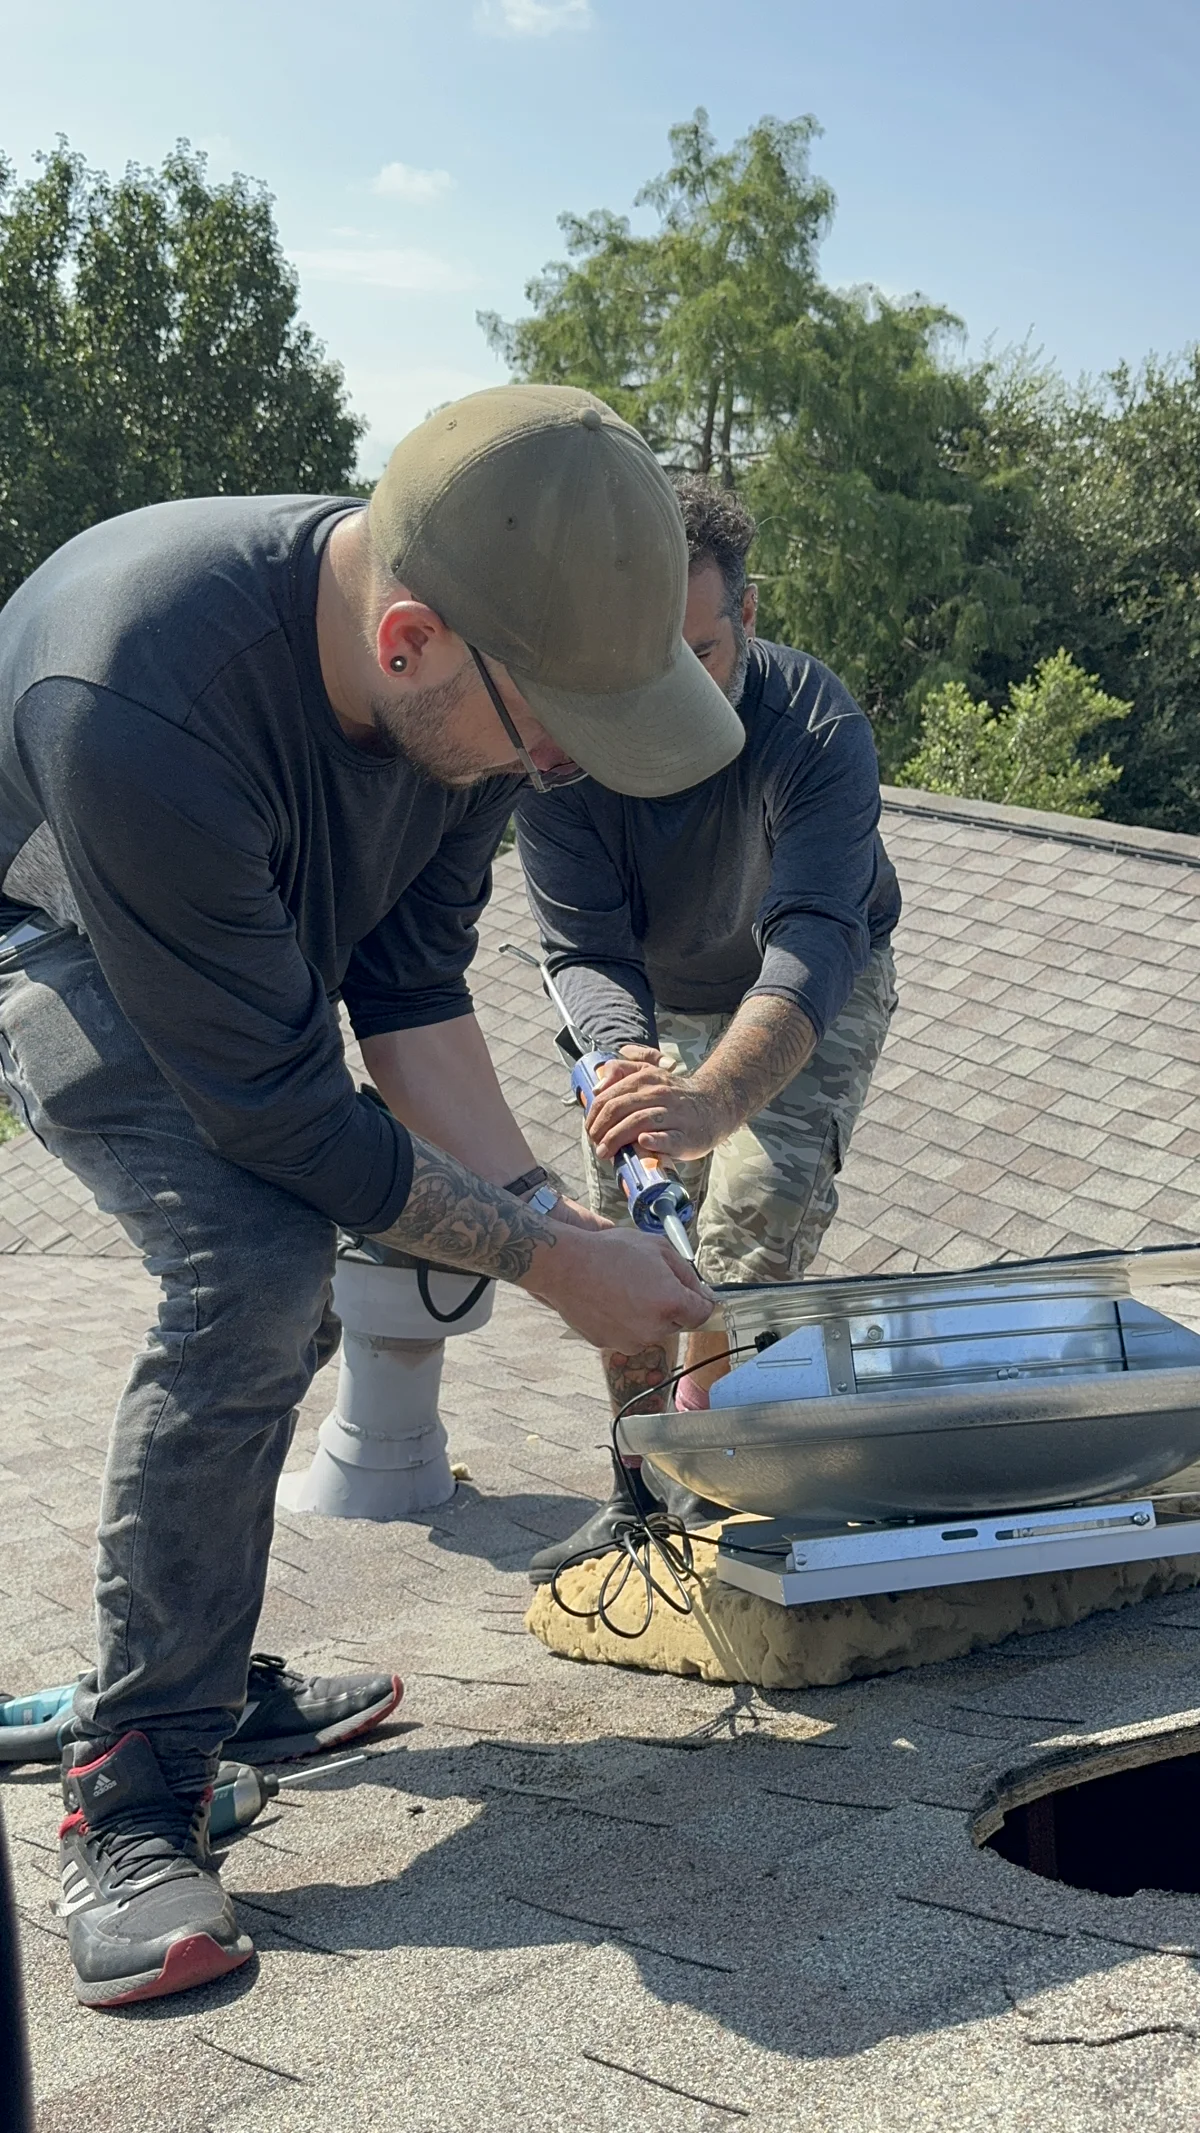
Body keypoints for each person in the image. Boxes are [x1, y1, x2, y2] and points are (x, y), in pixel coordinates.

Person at [0, 384, 741, 2007]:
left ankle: (190, 1666)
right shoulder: (137, 692)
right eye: (547, 731)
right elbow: (282, 1114)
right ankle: (131, 1791)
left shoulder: (483, 666)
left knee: (305, 1255)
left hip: (251, 938)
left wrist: (576, 1227)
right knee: (257, 1261)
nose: (559, 766)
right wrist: (554, 1265)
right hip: (66, 928)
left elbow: (406, 995)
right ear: (408, 640)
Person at [515, 477, 902, 1578]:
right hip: (647, 995)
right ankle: (642, 1493)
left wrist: (717, 1100)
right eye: (648, 664)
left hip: (810, 981)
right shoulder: (557, 746)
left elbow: (817, 936)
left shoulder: (814, 727)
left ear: (747, 611)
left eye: (705, 653)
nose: (672, 696)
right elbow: (584, 951)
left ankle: (731, 1499)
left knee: (745, 1231)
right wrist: (630, 1071)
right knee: (631, 1249)